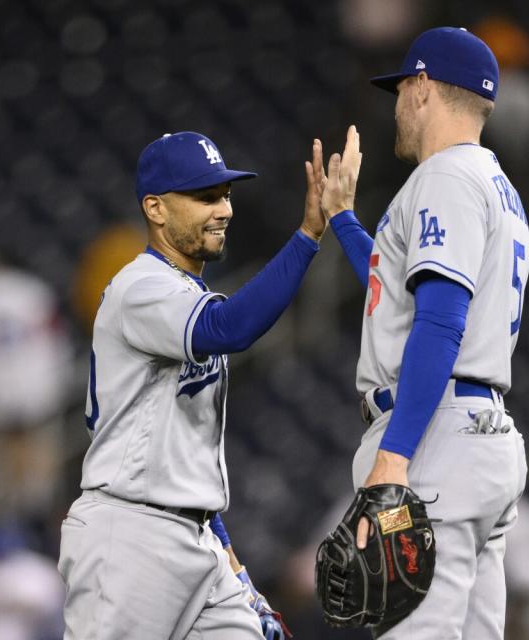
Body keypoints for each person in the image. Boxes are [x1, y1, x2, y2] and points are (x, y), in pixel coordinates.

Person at [58, 130, 331, 639]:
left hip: (195, 534)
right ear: (156, 209)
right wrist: (308, 235)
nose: (224, 209)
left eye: (225, 195)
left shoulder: (186, 293)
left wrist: (237, 570)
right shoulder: (141, 287)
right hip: (130, 537)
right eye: (205, 197)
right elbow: (230, 329)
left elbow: (185, 466)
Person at [320, 27, 529, 639]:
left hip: (437, 438)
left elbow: (440, 320)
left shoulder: (446, 178)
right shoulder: (499, 189)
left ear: (420, 89)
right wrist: (342, 220)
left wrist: (395, 456)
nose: (395, 106)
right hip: (482, 434)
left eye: (399, 91)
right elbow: (399, 286)